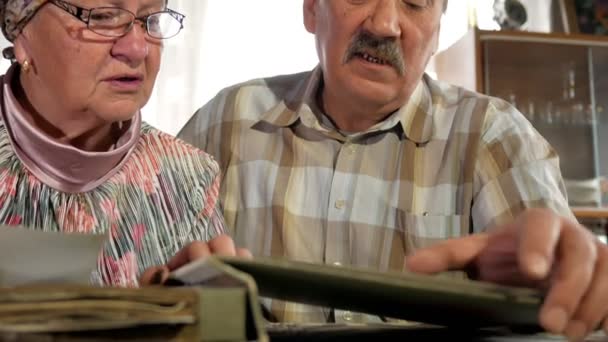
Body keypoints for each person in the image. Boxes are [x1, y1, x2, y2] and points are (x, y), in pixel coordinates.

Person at [179, 0, 608, 339]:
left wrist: (555, 280)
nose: (384, 24)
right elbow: (154, 288)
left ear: (439, 30)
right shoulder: (226, 122)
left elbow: (557, 288)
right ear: (312, 8)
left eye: (415, 2)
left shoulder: (492, 136)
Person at [0, 0, 246, 288]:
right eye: (104, 17)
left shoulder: (185, 178)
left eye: (150, 20)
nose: (137, 49)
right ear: (23, 35)